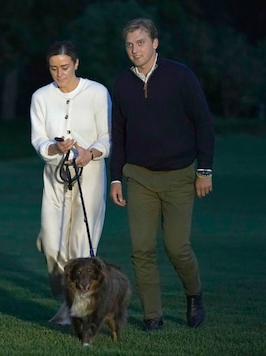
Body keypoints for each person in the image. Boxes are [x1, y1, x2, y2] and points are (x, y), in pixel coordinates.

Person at [110, 18, 214, 331]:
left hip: (180, 175)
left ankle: (194, 294)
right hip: (139, 177)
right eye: (129, 44)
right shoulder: (122, 83)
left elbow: (204, 124)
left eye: (140, 42)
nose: (134, 49)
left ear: (155, 43)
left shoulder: (180, 76)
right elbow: (119, 132)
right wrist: (116, 177)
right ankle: (152, 316)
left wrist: (204, 170)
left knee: (176, 247)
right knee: (141, 248)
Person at [30, 40, 111, 325]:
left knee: (80, 245)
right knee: (52, 244)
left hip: (89, 177)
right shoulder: (41, 97)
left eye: (64, 67)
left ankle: (72, 309)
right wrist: (55, 149)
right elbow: (38, 139)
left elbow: (107, 136)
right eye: (53, 68)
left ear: (76, 64)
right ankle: (63, 289)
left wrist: (90, 152)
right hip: (55, 179)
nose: (59, 74)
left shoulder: (98, 92)